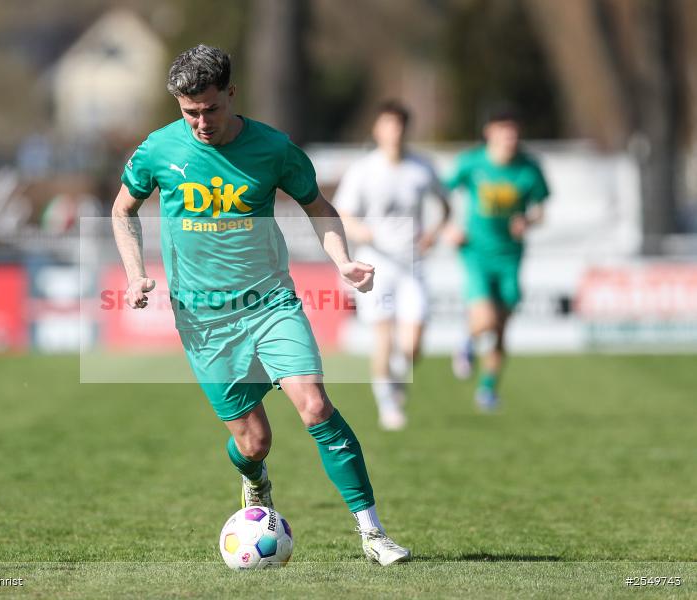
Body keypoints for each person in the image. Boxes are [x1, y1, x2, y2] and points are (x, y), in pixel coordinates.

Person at [112, 45, 411, 565]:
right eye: (189, 112)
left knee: (315, 406)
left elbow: (319, 208)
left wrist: (342, 260)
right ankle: (254, 479)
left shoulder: (274, 148)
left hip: (271, 303)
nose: (201, 123)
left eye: (210, 109)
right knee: (254, 443)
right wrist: (136, 273)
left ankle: (372, 532)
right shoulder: (159, 149)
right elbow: (123, 210)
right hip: (203, 320)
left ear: (231, 93)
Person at [334, 100, 450, 430]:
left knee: (413, 345)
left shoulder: (422, 167)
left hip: (412, 265)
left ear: (406, 129)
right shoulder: (363, 170)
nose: (394, 131)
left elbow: (446, 205)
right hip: (375, 266)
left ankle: (397, 374)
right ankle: (387, 404)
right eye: (387, 124)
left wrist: (434, 234)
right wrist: (360, 231)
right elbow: (342, 213)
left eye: (399, 125)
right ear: (377, 129)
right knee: (383, 335)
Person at [443, 105, 549, 411]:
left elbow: (541, 209)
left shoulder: (529, 168)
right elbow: (440, 194)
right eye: (504, 130)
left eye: (514, 130)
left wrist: (528, 221)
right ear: (489, 132)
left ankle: (488, 388)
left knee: (501, 327)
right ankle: (466, 341)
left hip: (511, 256)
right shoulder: (472, 163)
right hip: (476, 252)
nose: (510, 136)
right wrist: (448, 227)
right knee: (486, 318)